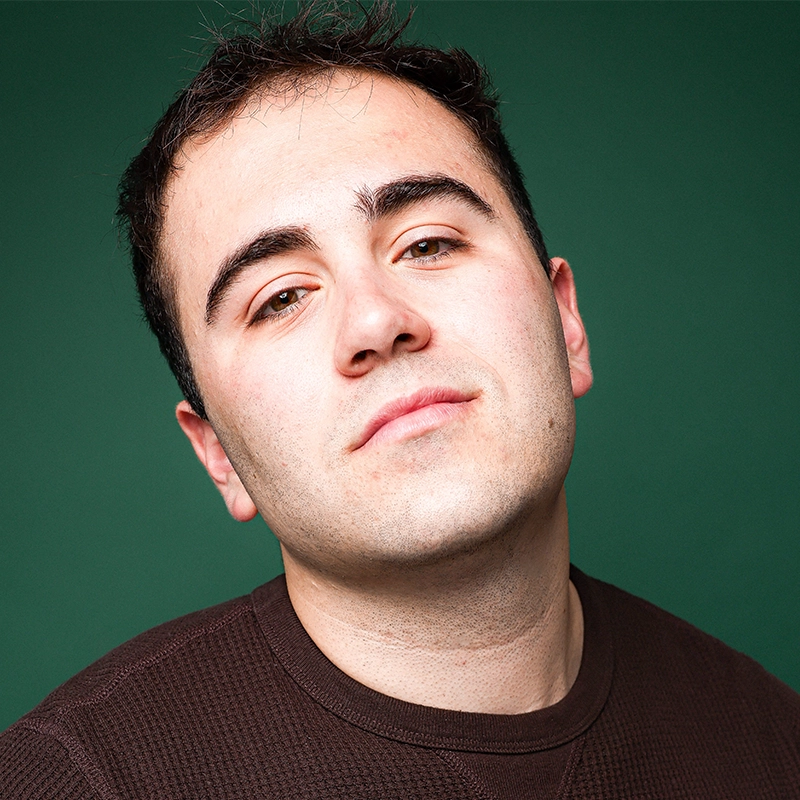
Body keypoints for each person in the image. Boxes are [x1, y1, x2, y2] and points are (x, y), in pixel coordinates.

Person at [1, 2, 798, 797]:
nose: (377, 322)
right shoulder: (72, 780)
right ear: (217, 453)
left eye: (427, 244)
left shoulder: (773, 742)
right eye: (280, 297)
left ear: (566, 324)